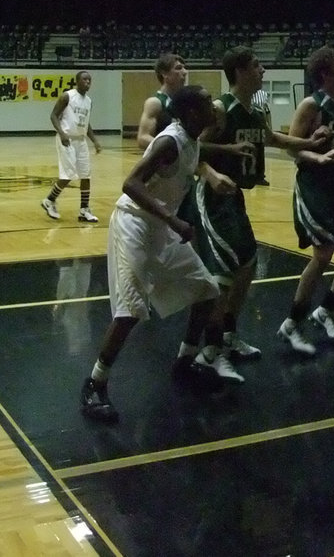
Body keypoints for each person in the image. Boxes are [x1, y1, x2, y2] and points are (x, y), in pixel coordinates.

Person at [78, 85, 228, 423]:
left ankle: (185, 362)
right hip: (133, 224)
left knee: (207, 291)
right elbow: (130, 183)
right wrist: (173, 219)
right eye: (206, 101)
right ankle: (94, 384)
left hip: (160, 228)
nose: (212, 104)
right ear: (191, 113)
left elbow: (204, 149)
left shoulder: (192, 138)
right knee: (130, 310)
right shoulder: (168, 142)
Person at [189, 47, 327, 381]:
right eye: (256, 65)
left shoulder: (255, 109)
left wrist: (311, 144)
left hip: (235, 198)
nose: (263, 69)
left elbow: (274, 139)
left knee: (248, 267)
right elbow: (190, 149)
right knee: (222, 276)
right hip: (212, 196)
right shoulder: (221, 110)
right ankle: (210, 352)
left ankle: (228, 335)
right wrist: (214, 171)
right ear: (238, 72)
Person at [277, 47, 334, 354]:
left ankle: (326, 311)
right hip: (313, 183)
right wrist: (319, 156)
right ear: (326, 74)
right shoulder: (311, 105)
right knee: (324, 253)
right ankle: (292, 324)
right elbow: (291, 148)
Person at [41, 71, 103, 223]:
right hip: (66, 138)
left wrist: (94, 141)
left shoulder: (88, 101)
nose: (87, 82)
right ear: (77, 81)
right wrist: (61, 133)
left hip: (81, 140)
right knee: (68, 175)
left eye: (89, 80)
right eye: (84, 79)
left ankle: (84, 210)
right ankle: (49, 200)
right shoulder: (67, 96)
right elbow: (53, 115)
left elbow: (86, 123)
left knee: (85, 175)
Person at [136, 52, 189, 149]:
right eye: (178, 68)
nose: (185, 72)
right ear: (164, 74)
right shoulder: (155, 103)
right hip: (162, 162)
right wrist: (174, 148)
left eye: (184, 68)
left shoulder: (185, 102)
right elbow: (142, 138)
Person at [249, 85, 273, 184]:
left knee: (259, 151)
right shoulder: (244, 94)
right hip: (248, 124)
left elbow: (267, 111)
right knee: (248, 151)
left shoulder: (263, 94)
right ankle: (248, 174)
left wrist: (269, 126)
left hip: (259, 124)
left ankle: (260, 176)